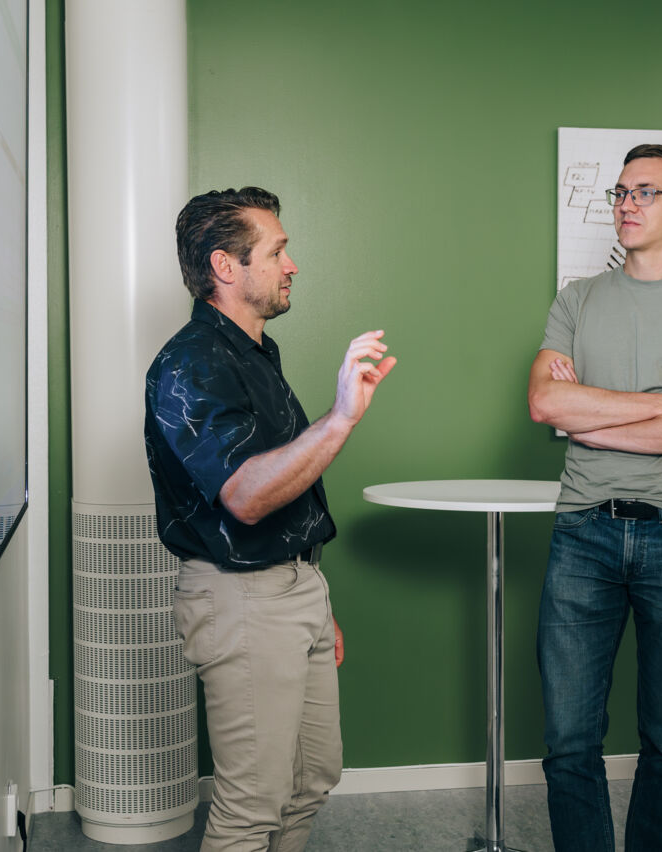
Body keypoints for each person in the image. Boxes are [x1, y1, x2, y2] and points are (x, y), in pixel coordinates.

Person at [144, 187, 396, 852]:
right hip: (242, 598)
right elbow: (247, 496)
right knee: (251, 805)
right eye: (277, 250)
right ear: (227, 267)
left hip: (291, 591)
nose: (291, 265)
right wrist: (340, 419)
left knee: (311, 778)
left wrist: (314, 600)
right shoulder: (192, 362)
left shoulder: (254, 352)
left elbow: (285, 486)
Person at [527, 144, 662, 852]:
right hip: (582, 533)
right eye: (621, 192)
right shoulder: (577, 299)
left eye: (646, 193)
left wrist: (589, 422)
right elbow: (543, 404)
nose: (626, 204)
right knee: (567, 743)